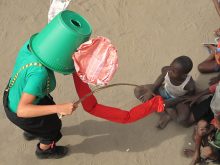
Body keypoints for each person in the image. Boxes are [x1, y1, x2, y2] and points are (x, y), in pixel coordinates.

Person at [3, 40, 78, 159]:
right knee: (52, 128)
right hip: (22, 113)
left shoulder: (30, 46)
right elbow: (22, 110)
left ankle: (31, 132)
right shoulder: (39, 73)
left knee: (38, 125)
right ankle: (44, 151)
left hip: (11, 96)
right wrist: (60, 108)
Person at [134, 56, 195, 129]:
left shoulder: (189, 84)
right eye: (171, 66)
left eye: (174, 71)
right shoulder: (166, 70)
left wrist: (170, 103)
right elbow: (158, 82)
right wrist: (150, 92)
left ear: (183, 75)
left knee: (182, 119)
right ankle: (165, 114)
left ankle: (167, 110)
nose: (170, 70)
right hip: (163, 90)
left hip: (177, 99)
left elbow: (186, 98)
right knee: (138, 91)